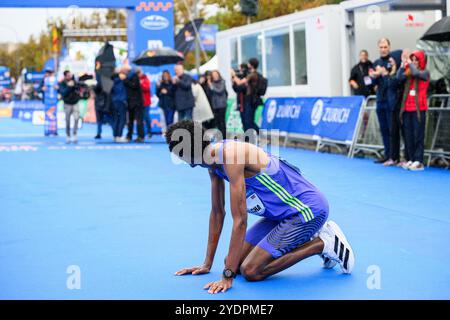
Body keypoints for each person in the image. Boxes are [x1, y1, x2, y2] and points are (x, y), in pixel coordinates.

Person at [167, 120, 355, 294]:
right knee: (231, 262)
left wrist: (227, 276)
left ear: (186, 153)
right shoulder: (212, 163)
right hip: (282, 216)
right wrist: (207, 264)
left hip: (307, 210)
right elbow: (217, 213)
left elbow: (240, 221)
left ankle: (323, 244)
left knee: (250, 271)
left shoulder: (230, 155)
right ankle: (312, 237)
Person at [397, 50, 430, 171]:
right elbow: (398, 78)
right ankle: (410, 159)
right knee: (408, 136)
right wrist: (402, 64)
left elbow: (416, 72)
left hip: (419, 109)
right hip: (406, 109)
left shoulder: (425, 73)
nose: (415, 62)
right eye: (413, 59)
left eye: (417, 60)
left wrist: (409, 62)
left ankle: (418, 161)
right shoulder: (409, 72)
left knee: (418, 135)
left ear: (421, 61)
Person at [370, 38, 399, 164]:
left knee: (392, 130)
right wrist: (373, 76)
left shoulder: (393, 61)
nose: (383, 49)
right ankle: (387, 155)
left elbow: (395, 81)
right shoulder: (376, 62)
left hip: (391, 101)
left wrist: (385, 73)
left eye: (385, 47)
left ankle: (394, 156)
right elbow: (373, 83)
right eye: (381, 47)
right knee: (384, 129)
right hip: (380, 100)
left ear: (389, 47)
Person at [231, 58, 266, 139]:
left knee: (248, 122)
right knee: (247, 122)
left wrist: (233, 75)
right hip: (247, 102)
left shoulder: (253, 75)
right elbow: (239, 87)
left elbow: (240, 83)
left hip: (250, 102)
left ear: (251, 65)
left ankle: (254, 138)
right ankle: (250, 138)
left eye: (248, 64)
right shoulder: (252, 74)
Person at [58, 71, 81, 144]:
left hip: (75, 103)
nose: (70, 77)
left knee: (77, 118)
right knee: (67, 120)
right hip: (67, 104)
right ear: (65, 76)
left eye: (70, 75)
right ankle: (68, 135)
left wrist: (75, 84)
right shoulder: (62, 83)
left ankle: (75, 133)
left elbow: (79, 89)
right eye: (68, 75)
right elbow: (63, 93)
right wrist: (68, 86)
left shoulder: (74, 81)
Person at [123, 66, 145, 143]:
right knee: (130, 121)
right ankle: (129, 136)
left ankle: (140, 136)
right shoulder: (130, 76)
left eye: (124, 71)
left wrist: (125, 80)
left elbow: (134, 85)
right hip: (130, 102)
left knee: (138, 120)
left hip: (137, 103)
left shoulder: (133, 76)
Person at [208, 70, 228, 139]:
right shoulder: (211, 83)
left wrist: (211, 86)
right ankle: (219, 136)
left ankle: (224, 137)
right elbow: (210, 94)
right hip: (215, 105)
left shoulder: (222, 81)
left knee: (222, 121)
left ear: (218, 75)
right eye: (213, 75)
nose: (215, 76)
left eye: (216, 74)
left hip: (222, 105)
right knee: (217, 122)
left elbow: (220, 91)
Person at [111, 69, 128, 143]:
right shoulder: (122, 81)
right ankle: (119, 136)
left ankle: (115, 136)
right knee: (121, 119)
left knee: (116, 119)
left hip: (114, 101)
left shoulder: (113, 81)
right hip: (121, 101)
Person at [232, 64, 249, 130]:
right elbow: (237, 89)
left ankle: (254, 135)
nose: (239, 71)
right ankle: (247, 137)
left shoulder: (247, 77)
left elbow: (242, 88)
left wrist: (234, 76)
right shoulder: (240, 79)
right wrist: (233, 82)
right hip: (241, 103)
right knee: (244, 122)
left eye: (241, 69)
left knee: (248, 122)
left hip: (246, 103)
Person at [137, 68, 152, 139]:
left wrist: (141, 84)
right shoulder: (136, 79)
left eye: (139, 72)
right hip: (139, 102)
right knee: (140, 118)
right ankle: (142, 132)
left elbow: (147, 88)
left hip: (146, 102)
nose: (139, 74)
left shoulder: (146, 79)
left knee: (146, 117)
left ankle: (149, 131)